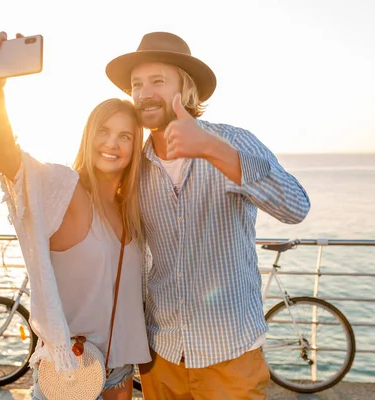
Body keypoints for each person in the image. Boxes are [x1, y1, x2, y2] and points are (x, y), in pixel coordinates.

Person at [105, 32, 311, 399]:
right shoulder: (135, 164)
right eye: (137, 84)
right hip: (161, 354)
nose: (143, 93)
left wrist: (214, 151)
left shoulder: (233, 141)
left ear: (185, 89)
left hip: (229, 355)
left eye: (157, 81)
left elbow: (296, 207)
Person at [0, 31, 151, 400]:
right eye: (103, 131)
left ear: (136, 146)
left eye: (125, 136)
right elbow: (9, 159)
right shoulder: (63, 190)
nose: (112, 144)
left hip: (119, 376)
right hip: (67, 377)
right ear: (88, 135)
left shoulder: (131, 210)